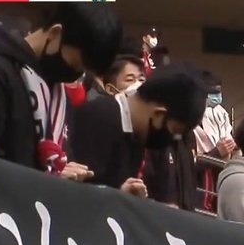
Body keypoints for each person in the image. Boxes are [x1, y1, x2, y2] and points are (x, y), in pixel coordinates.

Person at [0, 3, 121, 176]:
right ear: (55, 34)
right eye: (75, 65)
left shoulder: (59, 95)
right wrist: (46, 181)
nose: (76, 75)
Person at [68, 64, 206, 200]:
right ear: (158, 114)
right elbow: (79, 194)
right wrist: (116, 197)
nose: (170, 139)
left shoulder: (136, 132)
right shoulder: (98, 118)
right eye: (174, 131)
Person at [194, 71, 236, 211]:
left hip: (219, 169)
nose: (217, 96)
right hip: (199, 178)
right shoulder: (187, 116)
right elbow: (190, 161)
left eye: (218, 91)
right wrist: (217, 152)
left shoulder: (219, 112)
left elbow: (227, 135)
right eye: (212, 92)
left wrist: (230, 147)